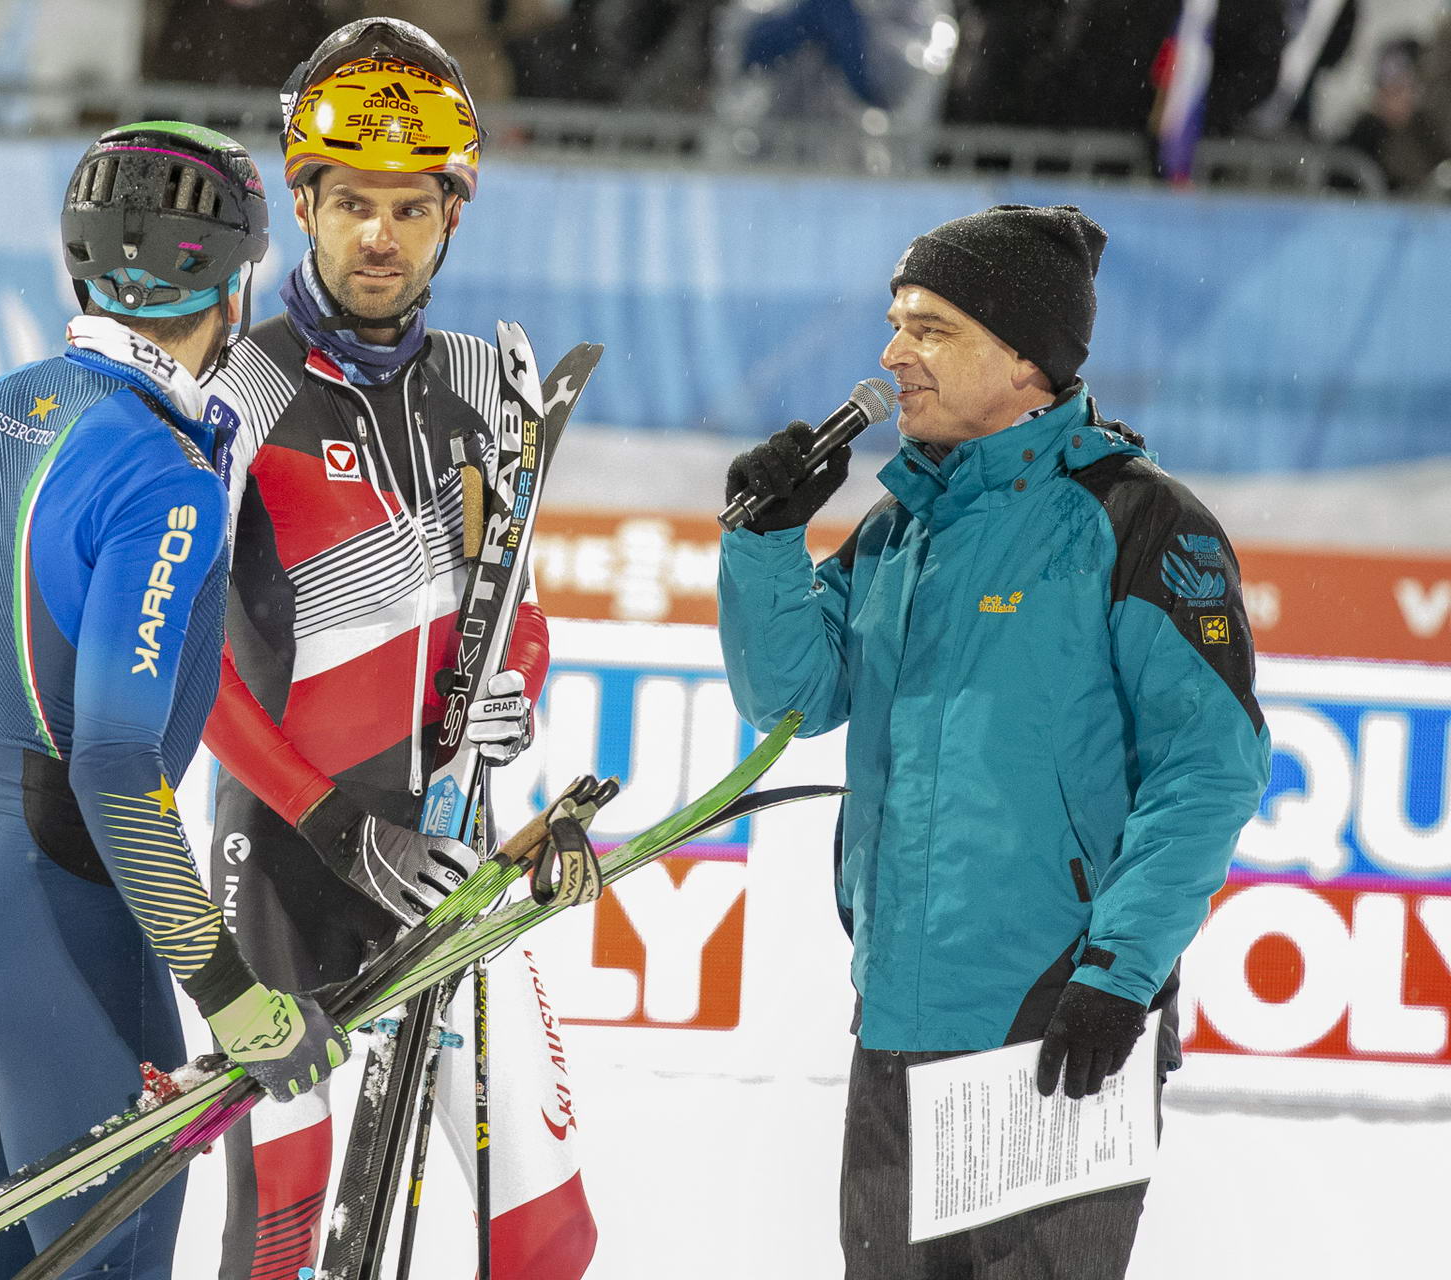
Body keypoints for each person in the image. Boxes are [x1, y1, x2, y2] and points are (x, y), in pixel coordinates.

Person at [0, 122, 346, 1280]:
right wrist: (234, 997)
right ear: (236, 277)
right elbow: (113, 762)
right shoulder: (167, 474)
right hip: (63, 943)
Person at [716, 204, 1270, 1278]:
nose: (891, 354)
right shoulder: (899, 527)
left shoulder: (1138, 520)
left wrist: (1119, 971)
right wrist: (767, 540)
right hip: (896, 1022)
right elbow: (789, 692)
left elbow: (1210, 769)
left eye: (931, 327)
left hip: (1058, 1028)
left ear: (1024, 358)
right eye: (894, 323)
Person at [196, 17, 599, 1280]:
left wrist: (517, 692)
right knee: (285, 1240)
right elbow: (191, 666)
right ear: (302, 206)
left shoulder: (489, 382)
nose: (380, 234)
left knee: (547, 1240)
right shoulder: (238, 390)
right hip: (281, 860)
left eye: (410, 207)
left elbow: (515, 610)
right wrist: (334, 823)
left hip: (447, 854)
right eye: (352, 201)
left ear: (452, 218)